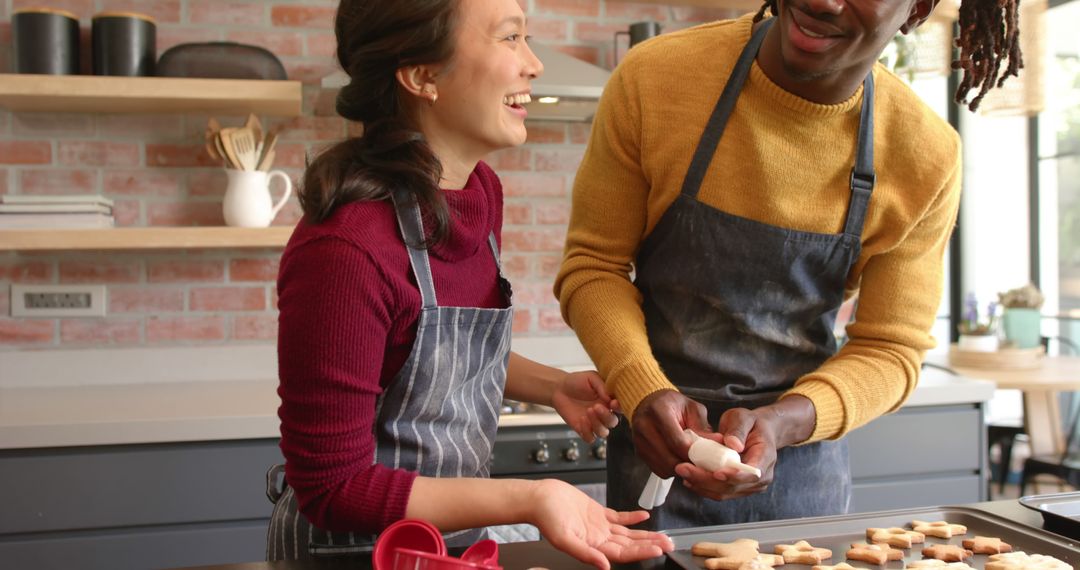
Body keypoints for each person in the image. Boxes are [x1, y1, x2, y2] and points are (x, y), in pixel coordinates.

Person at [555, 0, 1022, 530]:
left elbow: (892, 348)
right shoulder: (657, 77)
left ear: (916, 8)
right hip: (651, 453)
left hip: (802, 479)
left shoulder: (925, 155)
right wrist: (642, 388)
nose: (823, 1)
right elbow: (594, 266)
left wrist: (784, 422)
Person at [266, 0, 674, 567]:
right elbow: (332, 487)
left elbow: (431, 354)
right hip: (353, 554)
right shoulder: (345, 249)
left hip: (443, 551)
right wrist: (529, 498)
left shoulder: (479, 193)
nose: (533, 63)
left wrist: (551, 385)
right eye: (510, 39)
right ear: (422, 76)